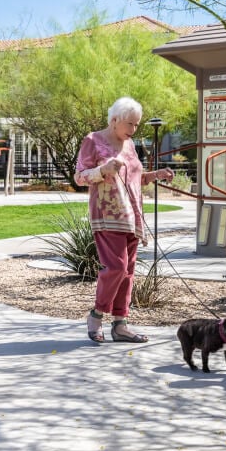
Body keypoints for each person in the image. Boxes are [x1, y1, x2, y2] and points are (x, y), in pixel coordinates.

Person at [74, 97, 174, 343]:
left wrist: (154, 175)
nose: (133, 129)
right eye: (130, 124)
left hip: (133, 216)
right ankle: (96, 315)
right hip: (107, 215)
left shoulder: (129, 145)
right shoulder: (92, 140)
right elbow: (79, 177)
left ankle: (120, 325)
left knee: (128, 272)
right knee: (116, 267)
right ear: (115, 120)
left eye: (136, 125)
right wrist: (102, 171)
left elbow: (133, 178)